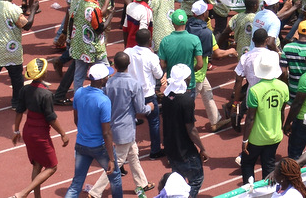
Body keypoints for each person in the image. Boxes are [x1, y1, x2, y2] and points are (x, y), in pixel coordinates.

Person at [87, 51, 152, 198]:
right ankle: (95, 192)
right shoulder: (134, 84)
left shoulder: (108, 82)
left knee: (133, 154)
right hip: (126, 128)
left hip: (111, 125)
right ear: (129, 65)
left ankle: (141, 183)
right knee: (116, 163)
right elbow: (141, 109)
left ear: (114, 66)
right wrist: (151, 107)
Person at [12, 58, 71, 198]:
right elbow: (51, 118)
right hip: (40, 134)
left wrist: (16, 130)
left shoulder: (25, 89)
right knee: (52, 166)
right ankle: (23, 193)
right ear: (43, 75)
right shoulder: (46, 94)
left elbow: (19, 111)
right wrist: (63, 133)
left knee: (37, 165)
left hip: (28, 130)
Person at [64, 62, 120, 198]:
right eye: (107, 76)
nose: (109, 78)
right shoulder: (103, 100)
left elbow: (76, 119)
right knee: (115, 177)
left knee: (77, 182)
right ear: (101, 80)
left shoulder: (79, 93)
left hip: (81, 144)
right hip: (99, 146)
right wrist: (111, 159)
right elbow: (106, 132)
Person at [241, 49, 289, 185]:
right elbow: (281, 112)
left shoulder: (255, 90)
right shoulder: (283, 87)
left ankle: (248, 192)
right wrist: (279, 128)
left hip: (257, 137)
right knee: (268, 165)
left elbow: (250, 118)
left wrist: (245, 140)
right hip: (274, 135)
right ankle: (268, 193)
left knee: (247, 163)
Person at [160, 63, 208, 195]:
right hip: (185, 150)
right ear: (186, 79)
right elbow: (191, 128)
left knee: (178, 179)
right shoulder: (186, 100)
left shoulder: (166, 97)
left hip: (171, 147)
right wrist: (202, 148)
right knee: (196, 179)